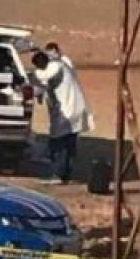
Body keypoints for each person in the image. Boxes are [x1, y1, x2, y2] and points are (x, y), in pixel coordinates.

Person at [31, 50, 94, 184]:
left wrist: (32, 81)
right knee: (69, 145)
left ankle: (58, 175)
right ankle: (65, 175)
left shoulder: (54, 68)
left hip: (67, 112)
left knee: (59, 144)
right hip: (72, 110)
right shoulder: (60, 65)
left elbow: (42, 80)